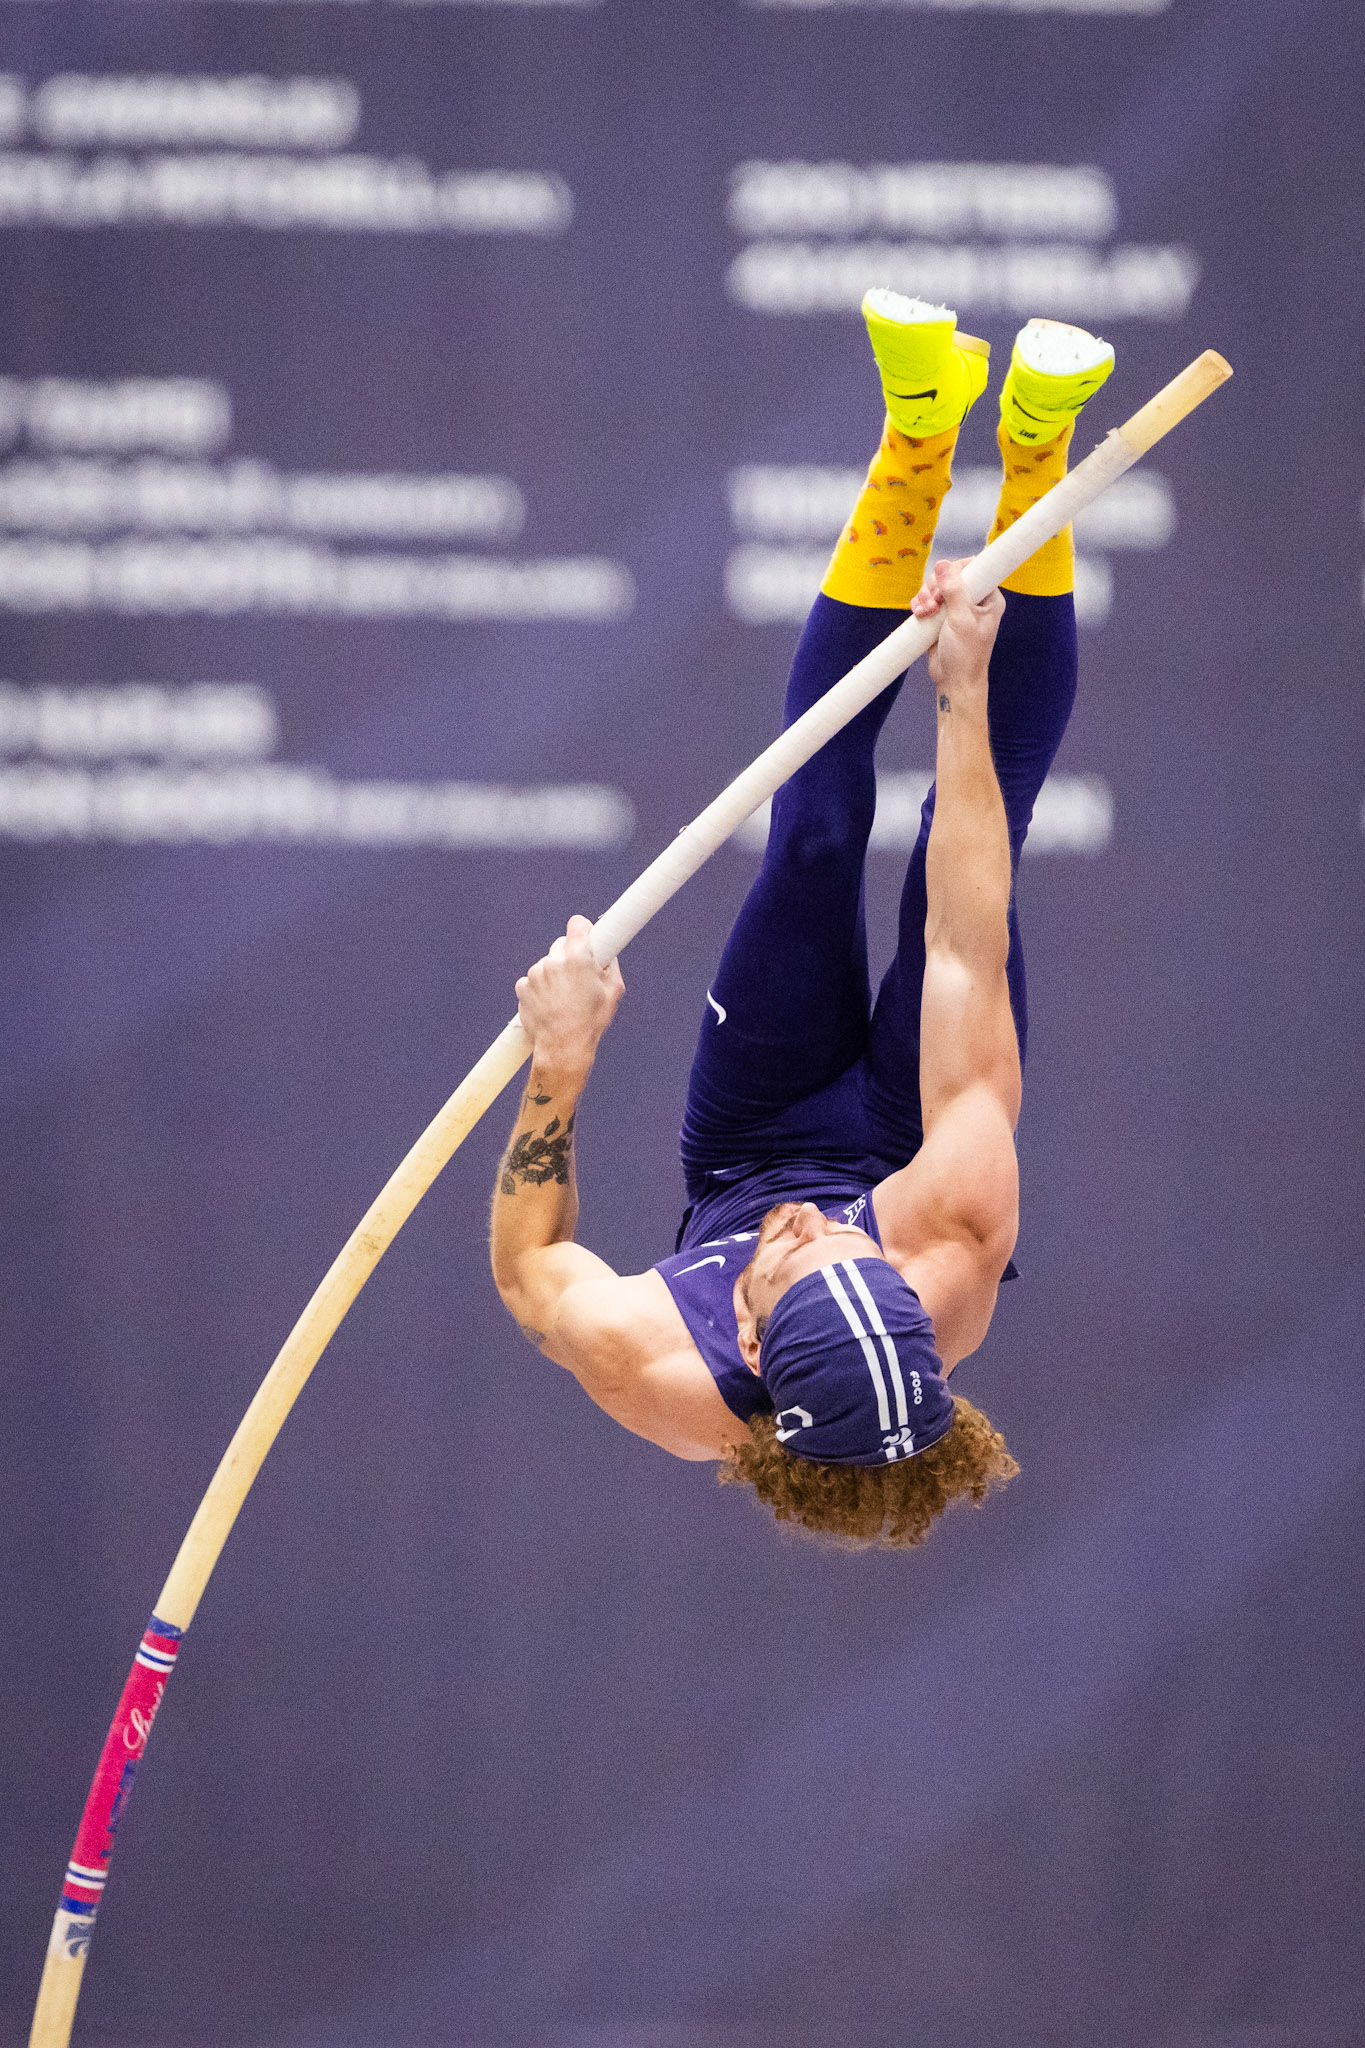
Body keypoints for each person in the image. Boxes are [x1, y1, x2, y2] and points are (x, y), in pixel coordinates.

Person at [489, 291, 1114, 1548]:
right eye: (847, 1242)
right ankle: (1035, 445)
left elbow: (527, 1269)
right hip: (909, 1128)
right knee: (963, 823)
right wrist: (960, 692)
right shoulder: (954, 1224)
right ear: (903, 1284)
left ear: (754, 1345)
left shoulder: (657, 1368)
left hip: (749, 1133)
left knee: (813, 837)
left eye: (787, 1258)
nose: (810, 1223)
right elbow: (960, 935)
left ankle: (917, 433)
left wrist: (559, 1069)